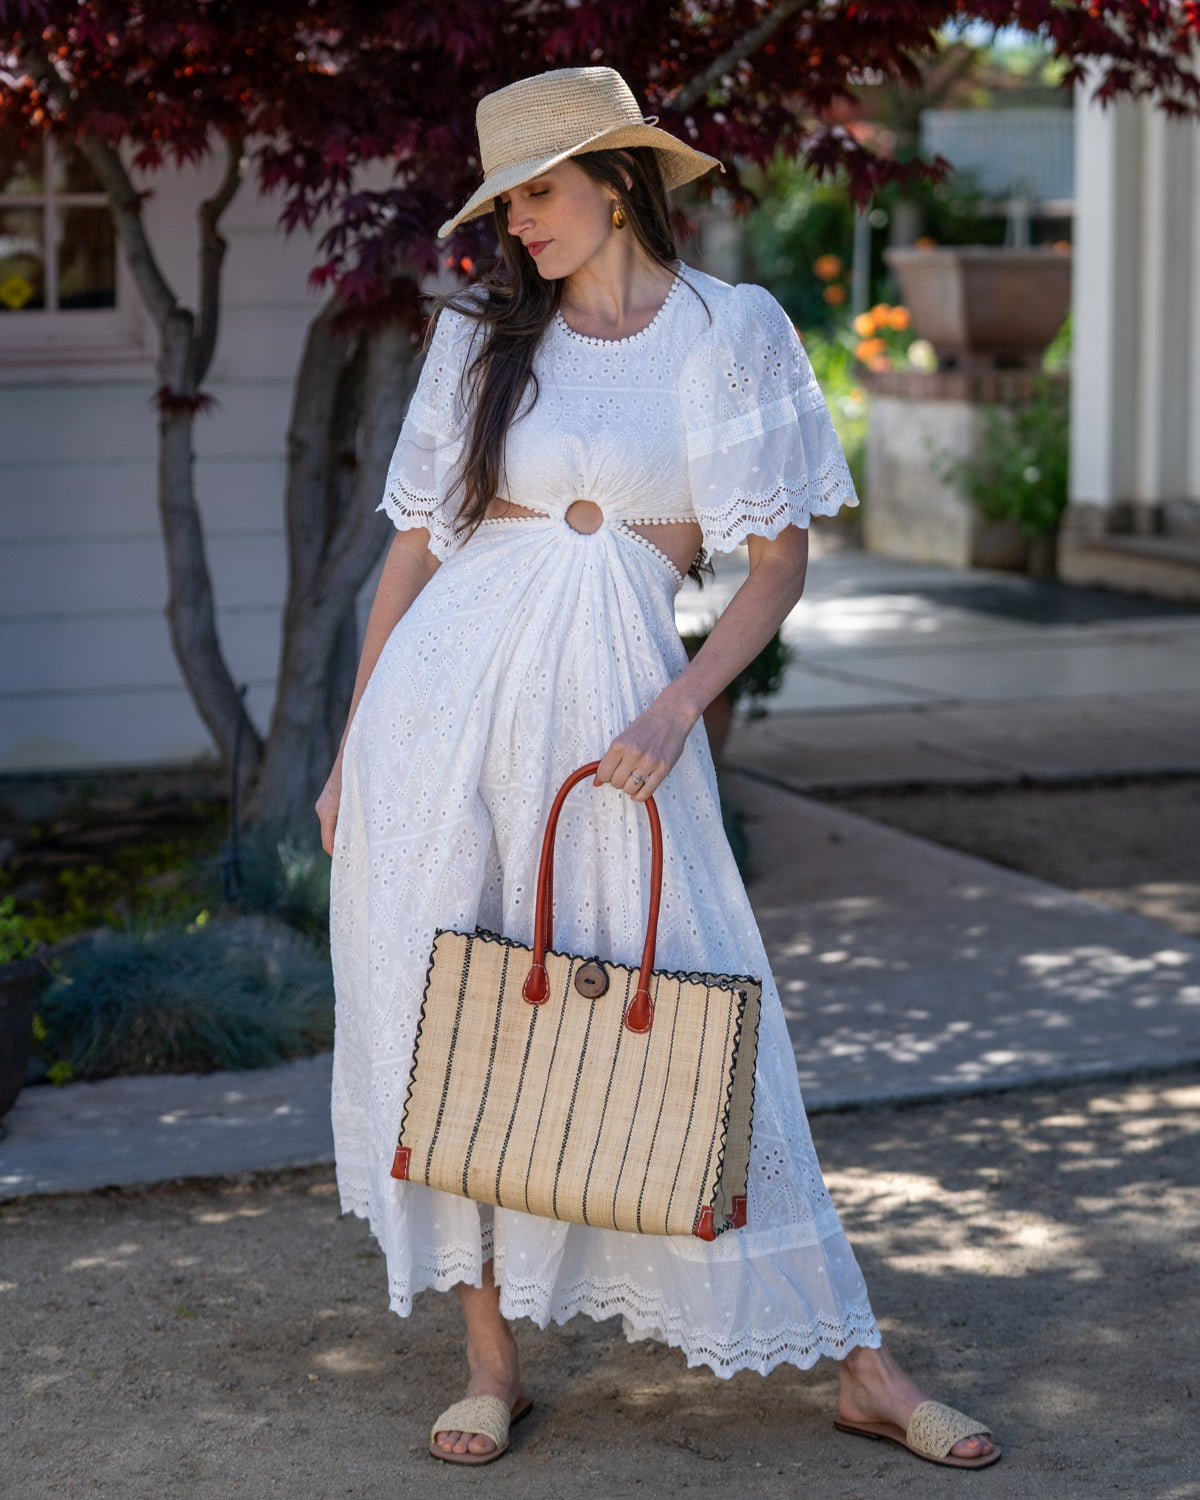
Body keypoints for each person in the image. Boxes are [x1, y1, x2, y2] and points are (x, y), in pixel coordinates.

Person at [317, 65, 999, 1473]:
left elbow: (778, 560)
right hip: (437, 719)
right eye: (508, 205)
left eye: (543, 195)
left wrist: (680, 707)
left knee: (703, 996)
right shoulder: (482, 341)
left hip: (621, 721)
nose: (521, 227)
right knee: (448, 1018)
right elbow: (410, 547)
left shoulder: (727, 330)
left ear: (619, 181)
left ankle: (861, 1364)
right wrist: (347, 750)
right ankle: (490, 1361)